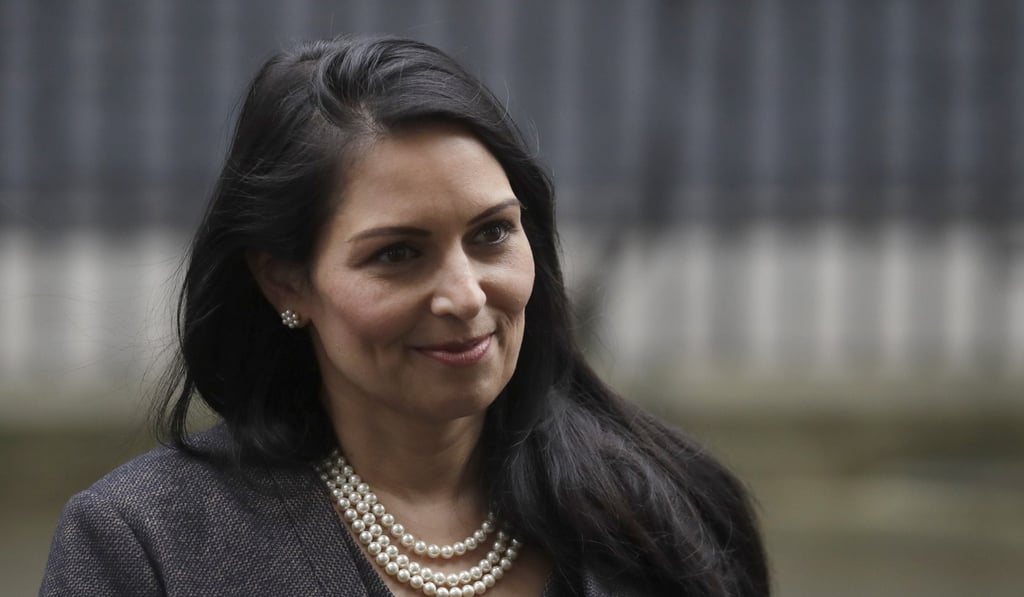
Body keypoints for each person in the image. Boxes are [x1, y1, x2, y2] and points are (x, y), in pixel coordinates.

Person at [41, 35, 769, 596]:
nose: (464, 295)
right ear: (285, 281)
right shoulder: (150, 547)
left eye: (491, 233)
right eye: (397, 254)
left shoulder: (666, 513)